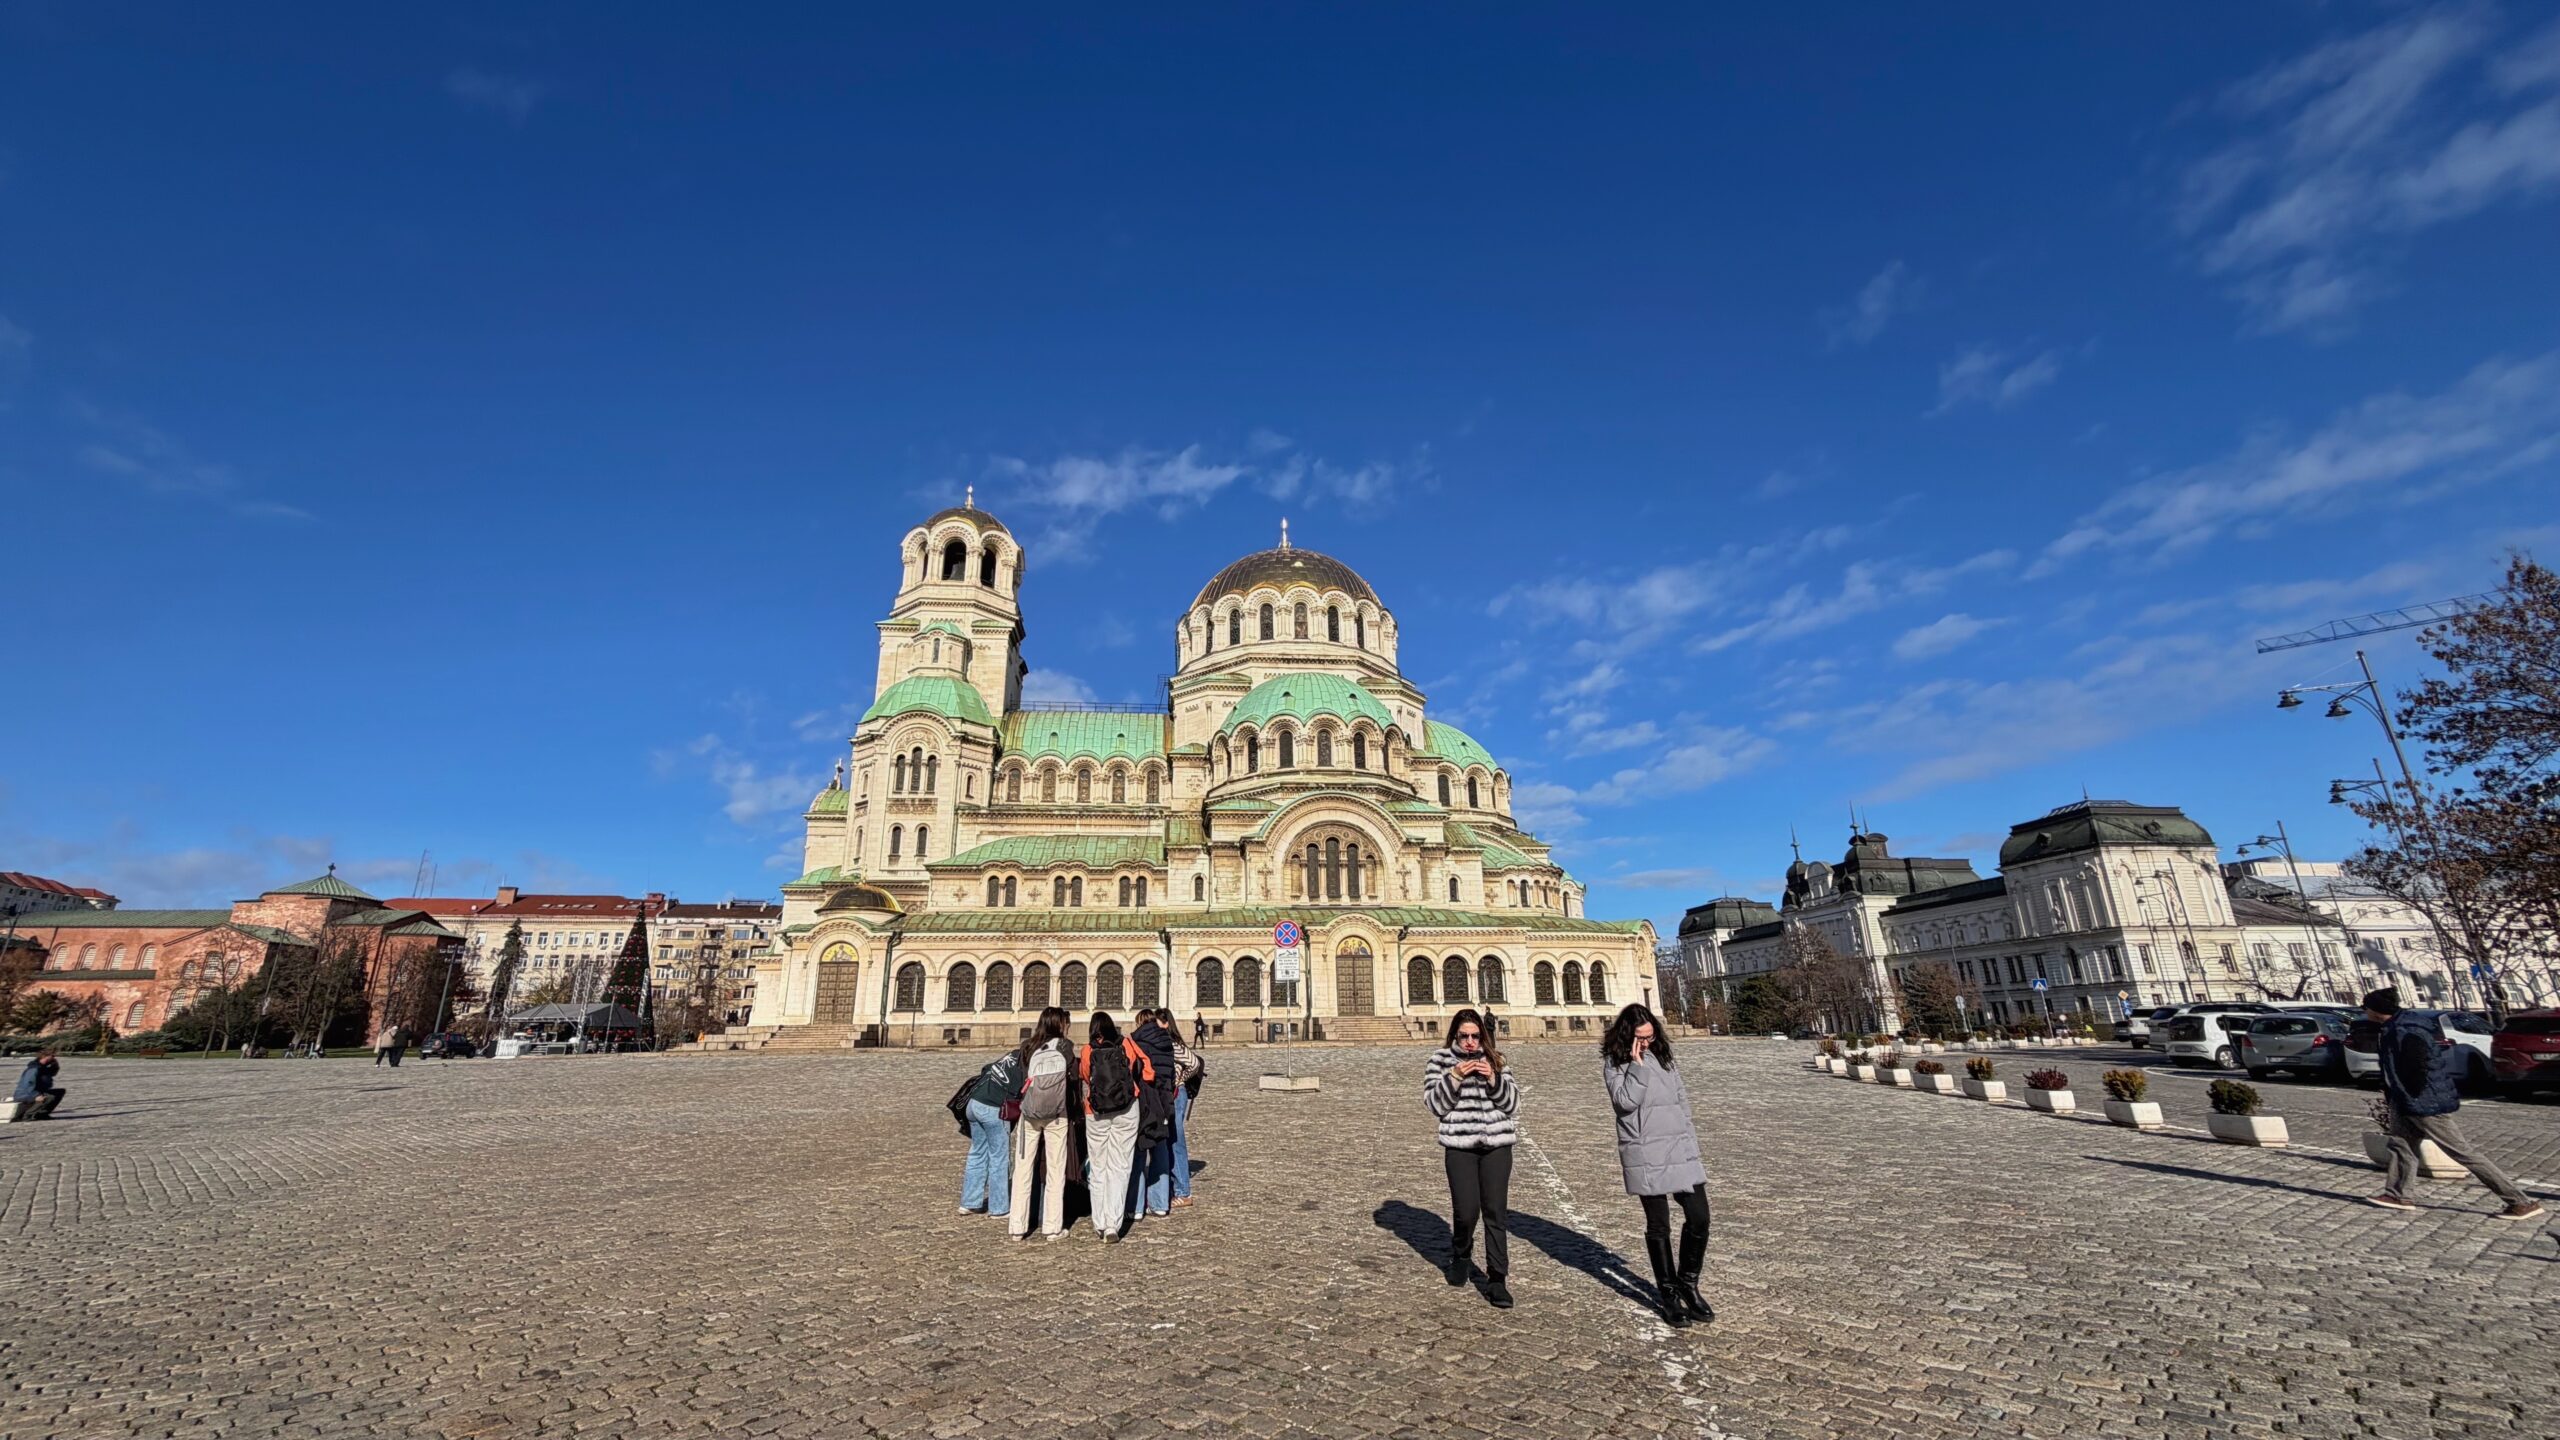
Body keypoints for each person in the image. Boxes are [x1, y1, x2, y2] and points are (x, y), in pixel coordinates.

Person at [2365, 988, 2545, 1220]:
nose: (2365, 1012)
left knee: (2462, 1152)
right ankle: (2398, 1194)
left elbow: (2417, 1069)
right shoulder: (2394, 1028)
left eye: (2367, 1007)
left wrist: (2411, 1096)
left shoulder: (2407, 1030)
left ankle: (2520, 1201)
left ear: (2379, 1010)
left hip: (2423, 1102)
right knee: (2401, 1147)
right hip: (2406, 1100)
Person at [1602, 1003, 1712, 1326]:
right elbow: (1623, 1102)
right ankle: (1668, 1293)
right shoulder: (1615, 1062)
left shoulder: (1664, 1056)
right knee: (1659, 1224)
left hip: (1678, 1146)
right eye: (1641, 1038)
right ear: (1627, 1036)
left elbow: (1681, 1100)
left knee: (1699, 1217)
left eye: (1650, 1036)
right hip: (1646, 1150)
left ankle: (1688, 1283)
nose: (1647, 1042)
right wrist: (1636, 1066)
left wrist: (1690, 1139)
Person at [1425, 1008, 1518, 1308]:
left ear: (1483, 1036)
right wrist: (1453, 1077)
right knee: (1466, 1212)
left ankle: (1497, 1278)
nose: (1469, 1042)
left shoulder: (1497, 1060)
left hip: (1497, 1145)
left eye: (1475, 1036)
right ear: (1454, 1035)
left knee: (1495, 1211)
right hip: (1460, 1144)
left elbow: (1512, 1104)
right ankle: (1462, 1253)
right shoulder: (1439, 1061)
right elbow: (1435, 1105)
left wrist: (1494, 1079)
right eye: (1463, 1036)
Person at [1079, 1011, 1153, 1241]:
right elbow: (1149, 1071)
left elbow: (1084, 1076)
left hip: (1096, 1111)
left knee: (1099, 1167)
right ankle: (1113, 1224)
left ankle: (1099, 1222)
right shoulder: (1128, 1044)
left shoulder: (1087, 1050)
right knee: (1121, 1167)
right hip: (1127, 1108)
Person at [1007, 1007, 1078, 1241]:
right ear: (1060, 1024)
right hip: (1057, 1113)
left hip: (1029, 1113)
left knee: (1022, 1169)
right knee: (1056, 1170)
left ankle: (1017, 1227)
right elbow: (1073, 1078)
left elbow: (1020, 1078)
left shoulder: (1028, 1046)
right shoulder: (1064, 1046)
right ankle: (1052, 1227)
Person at [959, 1037, 1026, 1219]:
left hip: (973, 1103)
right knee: (999, 1157)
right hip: (994, 1108)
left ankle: (969, 1203)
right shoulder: (1025, 1066)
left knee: (977, 1152)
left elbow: (985, 1069)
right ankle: (999, 1207)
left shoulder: (1009, 1057)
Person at [1132, 1008, 1181, 1221]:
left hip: (1144, 1100)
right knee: (1160, 1147)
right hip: (1164, 1099)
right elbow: (1171, 1072)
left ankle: (1135, 1206)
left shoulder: (1134, 1041)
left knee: (1139, 1151)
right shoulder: (1166, 1042)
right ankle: (1160, 1203)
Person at [1164, 1008, 1205, 1210]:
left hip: (1176, 1094)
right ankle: (1173, 1186)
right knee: (1169, 1139)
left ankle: (1183, 1191)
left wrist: (1180, 1080)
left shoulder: (1174, 1044)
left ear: (1166, 1024)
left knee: (1176, 1140)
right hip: (1170, 1094)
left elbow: (1194, 1063)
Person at [11, 1049, 65, 1122]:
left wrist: (56, 1066)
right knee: (50, 1097)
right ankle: (27, 1115)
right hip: (25, 1094)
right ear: (44, 1056)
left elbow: (52, 1073)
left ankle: (42, 1114)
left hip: (36, 1092)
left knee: (59, 1092)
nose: (54, 1058)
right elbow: (28, 1083)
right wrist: (36, 1095)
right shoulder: (34, 1068)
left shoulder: (42, 1067)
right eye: (52, 1056)